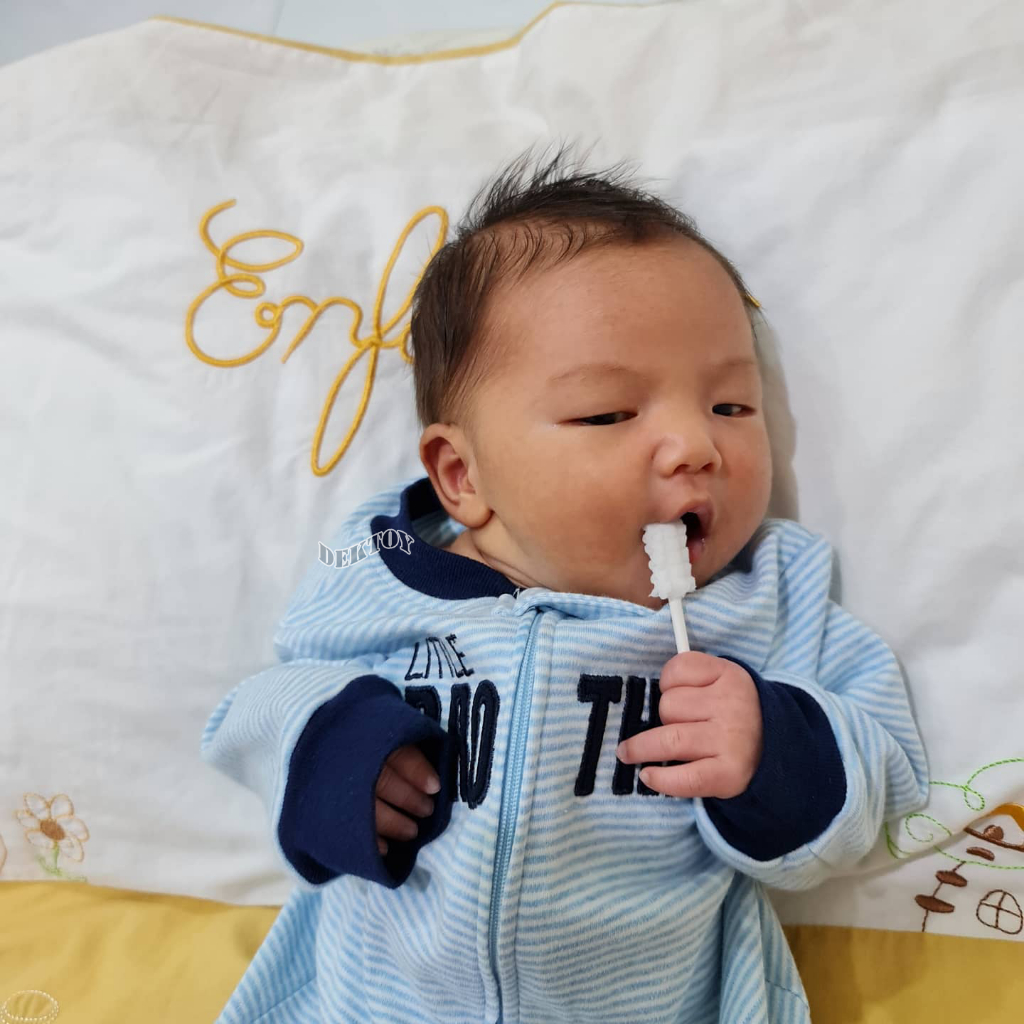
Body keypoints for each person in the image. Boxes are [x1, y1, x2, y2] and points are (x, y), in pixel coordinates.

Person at [202, 151, 928, 1024]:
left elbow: (887, 769)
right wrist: (329, 749)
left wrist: (776, 750)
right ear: (462, 475)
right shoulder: (383, 569)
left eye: (731, 407)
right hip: (374, 1001)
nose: (696, 447)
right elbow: (255, 706)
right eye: (608, 414)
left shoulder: (767, 595)